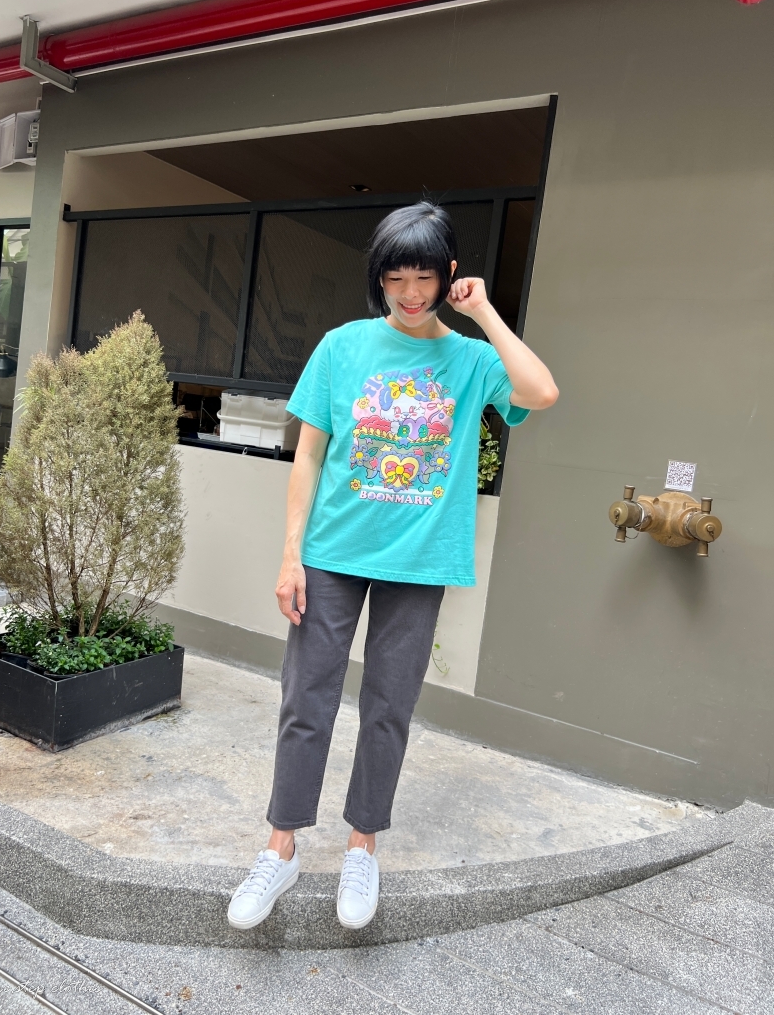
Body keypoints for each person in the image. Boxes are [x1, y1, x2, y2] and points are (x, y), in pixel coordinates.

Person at [227, 201, 558, 932]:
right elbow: (308, 455)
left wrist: (485, 314)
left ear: (448, 275)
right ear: (377, 277)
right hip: (332, 554)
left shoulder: (471, 360)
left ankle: (362, 846)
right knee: (305, 699)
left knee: (389, 706)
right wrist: (290, 555)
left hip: (419, 560)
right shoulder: (343, 346)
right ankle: (280, 848)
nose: (409, 294)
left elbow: (541, 392)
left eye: (424, 278)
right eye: (395, 278)